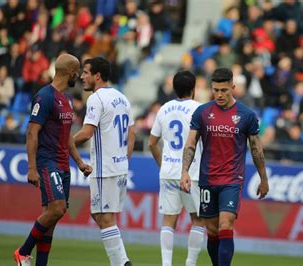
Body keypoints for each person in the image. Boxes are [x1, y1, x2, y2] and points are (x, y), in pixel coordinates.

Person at [180, 68, 269, 266]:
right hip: (207, 179)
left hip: (231, 180)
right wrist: (184, 171)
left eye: (224, 90)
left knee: (225, 224)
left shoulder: (247, 115)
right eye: (216, 90)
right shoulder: (202, 112)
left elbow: (256, 149)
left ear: (233, 88)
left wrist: (263, 178)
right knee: (211, 231)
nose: (219, 95)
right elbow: (191, 143)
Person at [13, 53, 92, 266]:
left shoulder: (65, 100)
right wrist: (32, 168)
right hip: (48, 162)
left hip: (64, 164)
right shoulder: (44, 96)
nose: (78, 75)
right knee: (57, 209)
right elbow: (32, 133)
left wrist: (80, 163)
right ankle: (22, 251)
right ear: (70, 72)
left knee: (51, 219)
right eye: (77, 71)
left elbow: (67, 139)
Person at [73, 57, 135, 266]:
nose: (82, 76)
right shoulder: (122, 98)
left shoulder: (96, 99)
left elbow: (86, 133)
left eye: (86, 73)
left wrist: (64, 143)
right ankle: (123, 261)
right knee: (103, 215)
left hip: (104, 168)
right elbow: (132, 132)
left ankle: (121, 264)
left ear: (97, 76)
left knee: (104, 216)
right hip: (119, 166)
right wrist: (124, 158)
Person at [148, 71, 205, 266]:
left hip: (168, 172)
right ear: (193, 89)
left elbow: (152, 143)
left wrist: (162, 165)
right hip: (192, 173)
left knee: (168, 221)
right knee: (198, 220)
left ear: (174, 88)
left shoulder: (164, 109)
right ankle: (190, 264)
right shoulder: (199, 109)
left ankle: (166, 264)